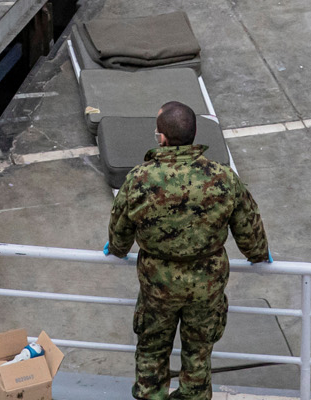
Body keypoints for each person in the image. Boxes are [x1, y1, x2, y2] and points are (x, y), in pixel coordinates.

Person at [105, 100, 271, 400]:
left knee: (152, 347)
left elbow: (119, 235)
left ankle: (151, 394)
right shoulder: (223, 177)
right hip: (207, 285)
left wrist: (117, 249)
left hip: (158, 285)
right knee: (198, 350)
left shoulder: (139, 179)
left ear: (163, 138)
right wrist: (258, 254)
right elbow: (249, 228)